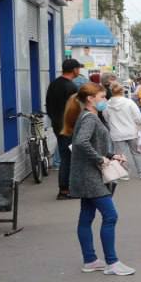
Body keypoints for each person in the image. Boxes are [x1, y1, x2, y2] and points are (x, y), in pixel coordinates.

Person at [65, 82, 134, 276]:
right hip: (91, 176)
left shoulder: (87, 116)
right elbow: (81, 142)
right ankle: (112, 262)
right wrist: (100, 159)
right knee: (110, 216)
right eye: (102, 97)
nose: (105, 100)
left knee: (86, 217)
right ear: (90, 99)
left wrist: (111, 155)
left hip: (85, 174)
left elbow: (92, 143)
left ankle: (91, 260)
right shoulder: (90, 118)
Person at [45, 58, 82, 200]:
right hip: (69, 127)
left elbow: (49, 106)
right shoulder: (71, 87)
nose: (79, 71)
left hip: (57, 126)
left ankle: (66, 188)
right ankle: (65, 190)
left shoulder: (54, 84)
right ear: (74, 70)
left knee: (65, 157)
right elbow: (74, 109)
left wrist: (56, 121)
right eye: (78, 68)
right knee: (69, 159)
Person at [104, 82, 141, 180]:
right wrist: (140, 125)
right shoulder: (129, 102)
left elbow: (106, 118)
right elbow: (138, 117)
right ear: (122, 91)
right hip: (131, 131)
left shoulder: (107, 104)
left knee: (120, 154)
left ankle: (124, 174)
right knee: (136, 152)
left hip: (116, 133)